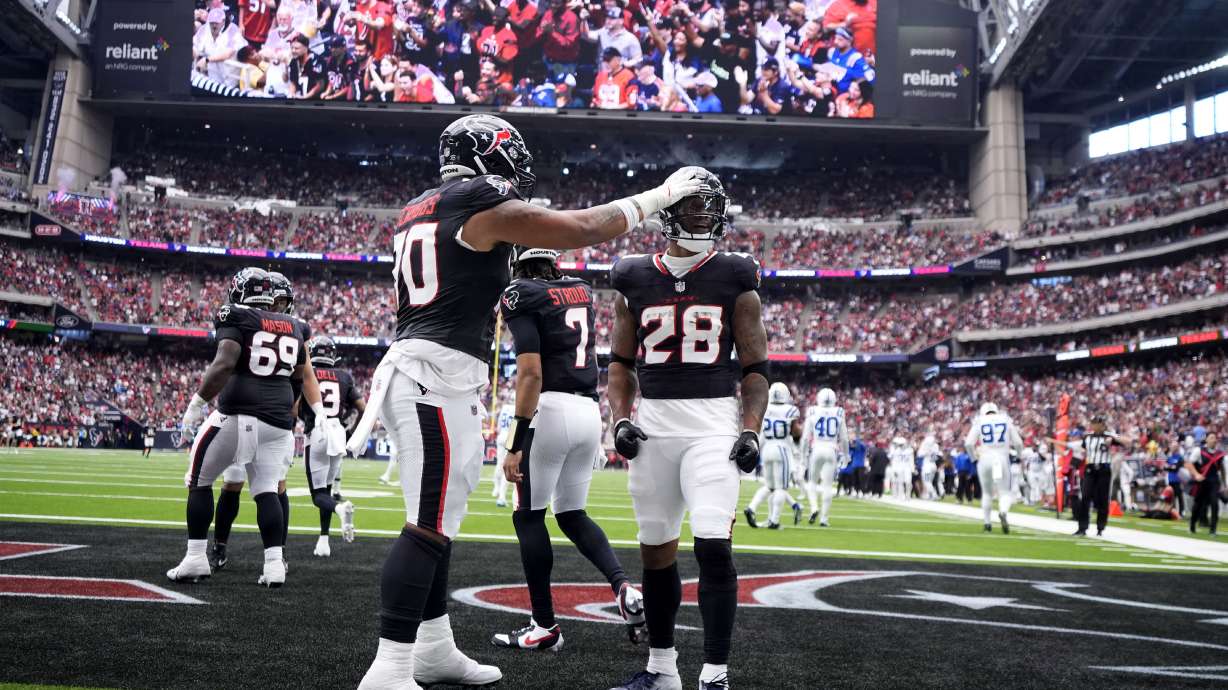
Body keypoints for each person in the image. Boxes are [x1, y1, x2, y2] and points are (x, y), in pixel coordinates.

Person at [345, 114, 705, 690]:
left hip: (435, 374)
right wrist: (658, 196)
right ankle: (389, 666)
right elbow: (581, 227)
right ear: (490, 158)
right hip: (432, 377)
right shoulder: (478, 199)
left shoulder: (422, 205)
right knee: (427, 526)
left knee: (438, 521)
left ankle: (433, 649)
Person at [606, 167, 768, 690]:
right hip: (654, 425)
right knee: (655, 550)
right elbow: (619, 365)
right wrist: (621, 419)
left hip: (712, 426)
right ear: (668, 211)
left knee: (713, 544)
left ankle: (715, 674)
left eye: (709, 207)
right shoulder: (632, 277)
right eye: (693, 206)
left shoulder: (736, 275)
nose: (703, 216)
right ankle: (662, 670)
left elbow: (756, 369)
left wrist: (751, 429)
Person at [490, 246, 645, 651]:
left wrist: (514, 442)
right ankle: (624, 588)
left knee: (528, 517)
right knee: (572, 515)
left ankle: (544, 625)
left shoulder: (520, 293)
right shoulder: (580, 289)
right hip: (587, 412)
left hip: (550, 410)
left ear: (518, 261)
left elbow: (530, 374)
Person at [167, 267, 322, 588]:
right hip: (277, 423)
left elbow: (225, 363)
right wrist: (283, 407)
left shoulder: (235, 315)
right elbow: (298, 378)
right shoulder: (296, 326)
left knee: (199, 479)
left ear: (240, 292)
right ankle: (275, 565)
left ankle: (196, 557)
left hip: (238, 414)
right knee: (267, 490)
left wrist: (195, 405)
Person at [208, 271, 304, 573]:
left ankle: (277, 552)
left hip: (259, 414)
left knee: (274, 486)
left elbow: (303, 376)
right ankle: (223, 546)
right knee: (237, 483)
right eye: (275, 300)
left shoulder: (264, 322)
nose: (277, 307)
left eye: (282, 302)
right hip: (263, 414)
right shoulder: (283, 326)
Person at [300, 335, 364, 557]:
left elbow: (295, 407)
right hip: (337, 433)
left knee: (318, 495)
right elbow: (362, 408)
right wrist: (351, 432)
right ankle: (324, 540)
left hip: (317, 431)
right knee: (326, 490)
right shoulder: (344, 376)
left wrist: (302, 419)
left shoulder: (308, 372)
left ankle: (340, 508)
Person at [1051, 417, 1122, 537]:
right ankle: (1082, 527)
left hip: (1104, 469)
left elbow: (1126, 440)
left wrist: (1113, 438)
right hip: (1090, 469)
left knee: (1102, 499)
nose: (1095, 426)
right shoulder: (1087, 437)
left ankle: (1100, 527)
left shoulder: (1109, 435)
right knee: (1085, 498)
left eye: (1098, 424)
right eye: (1094, 424)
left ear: (1102, 425)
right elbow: (1080, 449)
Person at [744, 383, 802, 529]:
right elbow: (795, 432)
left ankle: (751, 508)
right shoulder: (790, 410)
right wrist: (798, 437)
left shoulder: (765, 408)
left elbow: (761, 431)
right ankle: (774, 521)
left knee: (769, 486)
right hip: (781, 448)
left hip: (767, 449)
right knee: (781, 488)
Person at [965, 402, 1023, 534]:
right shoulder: (1005, 419)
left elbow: (968, 444)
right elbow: (1018, 443)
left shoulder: (979, 420)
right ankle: (1003, 512)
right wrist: (1019, 456)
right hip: (1001, 459)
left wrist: (974, 459)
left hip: (985, 459)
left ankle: (987, 524)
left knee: (987, 493)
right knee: (1004, 492)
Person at [800, 387, 849, 526]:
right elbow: (844, 438)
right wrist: (846, 456)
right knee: (827, 486)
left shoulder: (812, 411)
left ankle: (814, 507)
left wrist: (803, 456)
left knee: (812, 482)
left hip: (817, 448)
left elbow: (805, 438)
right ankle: (824, 519)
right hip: (831, 449)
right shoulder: (839, 412)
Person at [1186, 432, 1224, 536]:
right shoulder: (1199, 451)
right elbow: (1189, 464)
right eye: (1211, 438)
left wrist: (1224, 484)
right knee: (1198, 505)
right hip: (1202, 482)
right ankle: (1192, 525)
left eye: (1215, 438)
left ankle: (1213, 530)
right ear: (1206, 440)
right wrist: (1196, 474)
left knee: (1215, 504)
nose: (1214, 440)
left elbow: (1222, 469)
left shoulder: (1220, 453)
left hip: (1214, 482)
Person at [492, 397, 516, 507]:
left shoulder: (505, 407)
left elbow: (498, 426)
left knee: (499, 464)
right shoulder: (516, 408)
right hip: (510, 436)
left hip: (502, 435)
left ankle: (496, 488)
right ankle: (502, 497)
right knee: (509, 466)